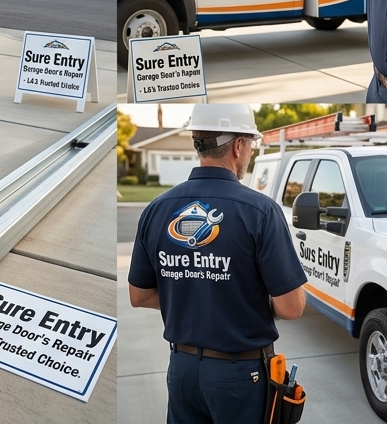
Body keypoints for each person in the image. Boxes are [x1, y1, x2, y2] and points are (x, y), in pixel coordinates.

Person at [128, 104, 306, 424]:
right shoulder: (260, 211)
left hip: (181, 371)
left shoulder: (156, 209)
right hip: (240, 375)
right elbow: (291, 307)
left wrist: (193, 297)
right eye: (250, 144)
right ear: (238, 146)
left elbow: (139, 295)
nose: (250, 153)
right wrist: (234, 301)